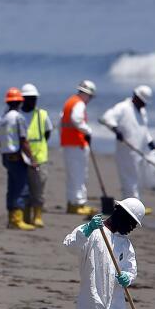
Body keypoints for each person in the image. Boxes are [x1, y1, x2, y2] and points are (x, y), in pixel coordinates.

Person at [99, 85, 155, 208]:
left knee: (137, 178)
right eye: (142, 101)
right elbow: (106, 118)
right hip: (126, 149)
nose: (144, 105)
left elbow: (143, 129)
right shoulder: (123, 107)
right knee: (129, 178)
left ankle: (135, 204)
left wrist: (150, 143)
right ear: (136, 97)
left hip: (138, 150)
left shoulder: (142, 111)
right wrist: (116, 130)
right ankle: (131, 207)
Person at [0, 87, 37, 231]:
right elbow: (23, 141)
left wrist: (4, 146)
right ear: (20, 102)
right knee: (21, 187)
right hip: (16, 157)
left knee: (12, 187)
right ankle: (17, 220)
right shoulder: (18, 117)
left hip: (6, 157)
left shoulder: (2, 118)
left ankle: (12, 217)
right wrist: (32, 158)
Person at [60, 80, 98, 215]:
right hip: (77, 144)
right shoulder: (79, 104)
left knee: (73, 175)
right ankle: (78, 204)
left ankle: (72, 203)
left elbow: (63, 120)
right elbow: (76, 119)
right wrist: (87, 131)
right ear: (87, 94)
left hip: (68, 144)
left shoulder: (70, 101)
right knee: (79, 175)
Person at [20, 83, 54, 228]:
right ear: (23, 99)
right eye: (29, 98)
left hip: (39, 158)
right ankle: (26, 216)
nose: (32, 101)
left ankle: (38, 216)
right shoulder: (18, 114)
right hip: (22, 158)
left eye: (34, 98)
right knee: (24, 189)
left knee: (39, 189)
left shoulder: (42, 115)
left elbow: (47, 133)